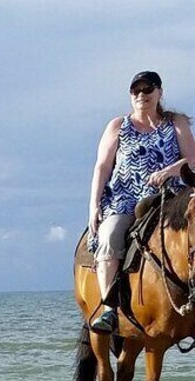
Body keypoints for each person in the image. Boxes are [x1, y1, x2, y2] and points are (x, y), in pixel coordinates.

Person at [88, 71, 195, 333]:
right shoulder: (117, 126)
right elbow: (102, 167)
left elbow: (192, 160)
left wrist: (171, 170)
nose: (141, 95)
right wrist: (93, 206)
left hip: (170, 198)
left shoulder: (176, 122)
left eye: (147, 90)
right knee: (111, 236)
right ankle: (110, 311)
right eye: (136, 91)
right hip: (125, 197)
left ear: (159, 92)